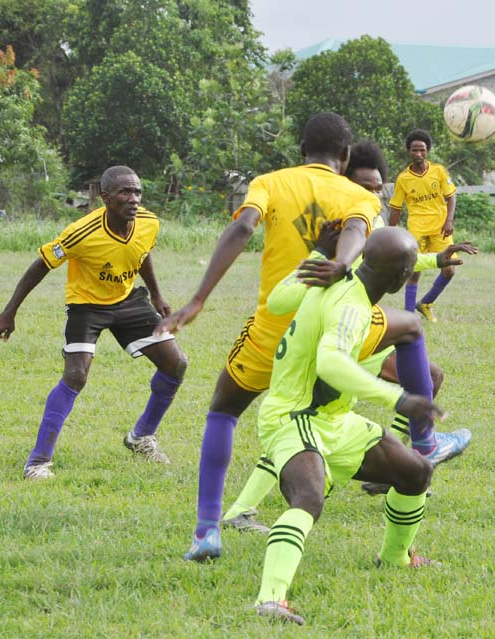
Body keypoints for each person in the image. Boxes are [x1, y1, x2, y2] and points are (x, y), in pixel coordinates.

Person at [156, 113, 382, 561]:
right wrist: (341, 262)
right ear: (345, 155)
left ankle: (207, 531)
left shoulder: (271, 182)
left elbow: (242, 228)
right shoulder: (361, 196)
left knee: (223, 410)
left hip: (271, 334)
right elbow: (356, 231)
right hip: (331, 336)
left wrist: (199, 299)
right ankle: (423, 440)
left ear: (301, 150)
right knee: (401, 341)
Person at [222, 140, 474, 529]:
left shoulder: (370, 219)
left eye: (377, 188)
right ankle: (420, 447)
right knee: (309, 417)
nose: (372, 194)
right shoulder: (345, 222)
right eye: (366, 186)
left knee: (425, 374)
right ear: (344, 180)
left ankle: (391, 461)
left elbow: (396, 257)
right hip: (339, 325)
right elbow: (299, 290)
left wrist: (434, 258)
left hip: (355, 324)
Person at [254, 227, 443, 626]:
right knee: (308, 497)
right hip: (294, 417)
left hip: (335, 419)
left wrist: (320, 253)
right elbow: (331, 364)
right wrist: (400, 398)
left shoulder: (337, 273)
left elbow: (277, 300)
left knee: (415, 471)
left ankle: (394, 558)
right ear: (398, 280)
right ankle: (270, 600)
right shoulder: (352, 308)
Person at [0, 166, 187, 479]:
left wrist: (156, 295)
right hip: (86, 306)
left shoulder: (149, 222)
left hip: (127, 302)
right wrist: (9, 311)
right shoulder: (81, 232)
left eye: (137, 192)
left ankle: (141, 437)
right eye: (125, 192)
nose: (133, 199)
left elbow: (142, 253)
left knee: (175, 364)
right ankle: (38, 463)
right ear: (104, 196)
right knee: (76, 375)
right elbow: (41, 265)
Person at [389, 129, 457, 323]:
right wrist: (390, 233)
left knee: (449, 269)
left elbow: (451, 197)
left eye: (422, 150)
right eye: (414, 150)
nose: (418, 154)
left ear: (427, 151)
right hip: (417, 229)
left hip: (440, 228)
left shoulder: (439, 171)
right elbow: (395, 208)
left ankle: (426, 303)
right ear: (409, 152)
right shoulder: (403, 178)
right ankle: (409, 317)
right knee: (414, 271)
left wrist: (449, 219)